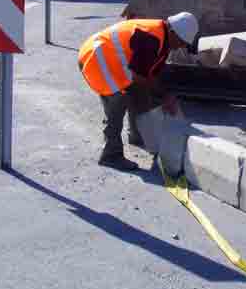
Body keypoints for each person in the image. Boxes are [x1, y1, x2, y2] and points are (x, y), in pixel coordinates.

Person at [78, 12, 199, 171]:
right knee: (117, 102)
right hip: (97, 60)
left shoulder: (163, 38)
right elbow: (139, 77)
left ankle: (137, 135)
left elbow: (151, 74)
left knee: (140, 91)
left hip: (107, 58)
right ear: (173, 32)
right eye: (182, 42)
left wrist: (165, 95)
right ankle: (111, 155)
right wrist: (164, 97)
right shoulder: (151, 39)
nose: (182, 46)